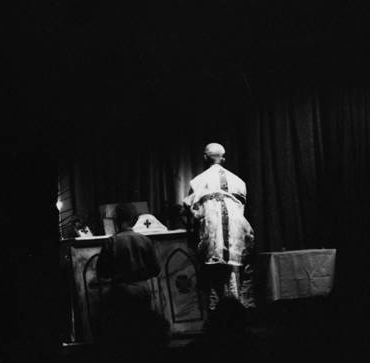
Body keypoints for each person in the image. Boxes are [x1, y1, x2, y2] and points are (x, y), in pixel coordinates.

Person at [183, 143, 255, 311]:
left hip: (212, 233)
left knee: (214, 276)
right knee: (234, 273)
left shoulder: (198, 181)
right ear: (223, 159)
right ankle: (237, 311)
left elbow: (190, 207)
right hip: (236, 233)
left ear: (205, 158)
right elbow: (242, 206)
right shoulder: (239, 181)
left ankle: (219, 314)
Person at [96, 203, 170, 347]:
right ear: (134, 220)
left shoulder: (112, 241)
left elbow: (102, 271)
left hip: (121, 290)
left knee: (125, 330)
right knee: (142, 328)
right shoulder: (144, 240)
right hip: (142, 289)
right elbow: (156, 269)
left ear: (116, 220)